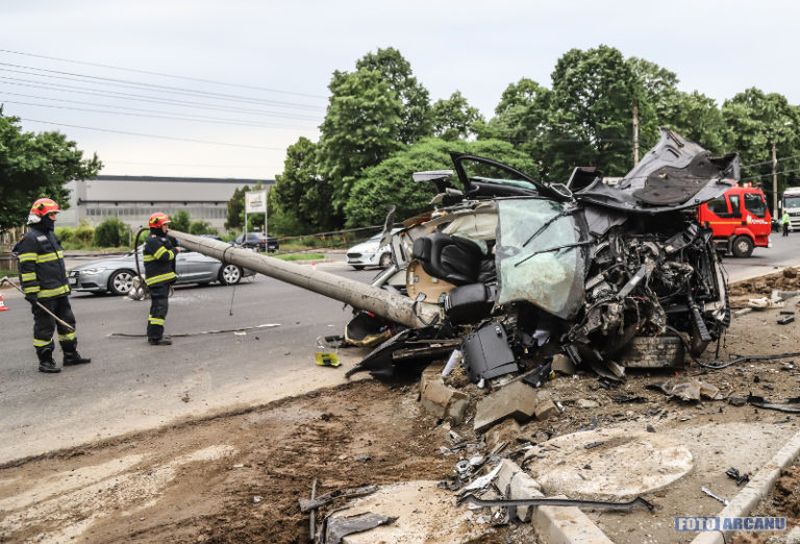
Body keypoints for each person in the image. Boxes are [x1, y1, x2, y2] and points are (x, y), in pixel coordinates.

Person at [13, 198, 91, 373]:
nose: (54, 218)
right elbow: (27, 269)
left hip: (60, 292)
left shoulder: (50, 236)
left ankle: (71, 355)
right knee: (44, 328)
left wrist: (66, 286)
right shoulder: (30, 239)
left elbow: (57, 264)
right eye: (51, 214)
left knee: (67, 324)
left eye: (55, 214)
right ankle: (45, 361)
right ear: (39, 216)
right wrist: (32, 293)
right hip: (44, 295)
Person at [143, 212, 180, 345]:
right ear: (158, 225)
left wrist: (171, 242)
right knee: (160, 309)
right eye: (165, 225)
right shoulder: (152, 241)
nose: (167, 228)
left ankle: (153, 334)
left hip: (161, 282)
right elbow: (164, 256)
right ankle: (156, 337)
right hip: (157, 282)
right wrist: (175, 250)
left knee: (156, 309)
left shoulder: (158, 240)